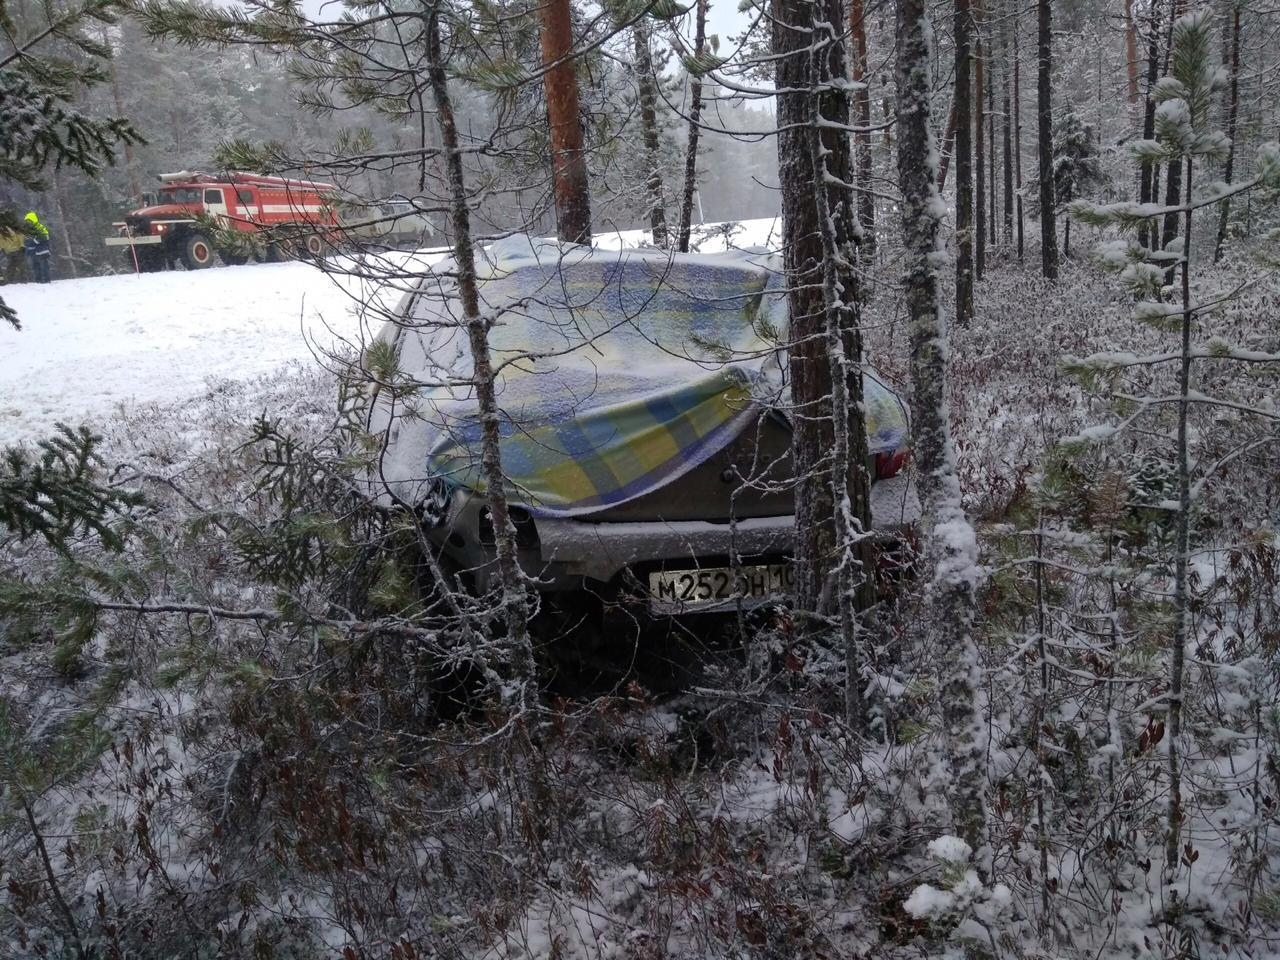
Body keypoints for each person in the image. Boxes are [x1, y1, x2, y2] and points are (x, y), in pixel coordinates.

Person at [23, 211, 52, 284]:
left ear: (33, 220)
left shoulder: (39, 227)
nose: (27, 223)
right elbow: (26, 239)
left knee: (43, 265)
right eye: (26, 221)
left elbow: (45, 236)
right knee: (35, 266)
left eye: (29, 221)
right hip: (33, 251)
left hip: (42, 250)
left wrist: (34, 241)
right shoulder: (28, 229)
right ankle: (38, 280)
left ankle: (46, 280)